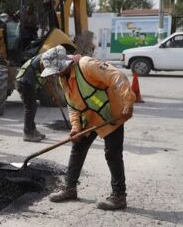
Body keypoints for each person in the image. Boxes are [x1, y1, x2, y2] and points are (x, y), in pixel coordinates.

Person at [41, 45, 135, 210]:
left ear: (64, 63)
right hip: (90, 117)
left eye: (56, 70)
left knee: (112, 154)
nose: (55, 74)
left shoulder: (86, 65)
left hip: (110, 114)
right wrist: (75, 128)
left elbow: (117, 76)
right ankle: (70, 189)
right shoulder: (63, 79)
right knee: (77, 148)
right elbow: (73, 106)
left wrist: (128, 101)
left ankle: (119, 196)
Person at [15, 54, 47, 142]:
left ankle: (32, 129)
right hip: (24, 83)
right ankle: (27, 133)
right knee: (30, 108)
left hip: (29, 84)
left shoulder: (45, 57)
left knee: (33, 107)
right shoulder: (44, 59)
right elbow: (46, 73)